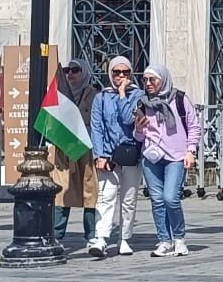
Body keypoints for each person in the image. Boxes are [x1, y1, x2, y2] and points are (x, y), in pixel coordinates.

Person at [135, 62, 201, 257]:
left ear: (163, 80)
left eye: (152, 80)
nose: (148, 83)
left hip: (176, 156)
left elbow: (194, 126)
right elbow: (138, 137)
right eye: (145, 80)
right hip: (151, 157)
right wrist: (138, 129)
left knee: (170, 198)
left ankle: (179, 239)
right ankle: (164, 240)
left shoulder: (179, 99)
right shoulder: (142, 103)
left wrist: (190, 151)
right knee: (157, 200)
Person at [86, 57, 143, 259]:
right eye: (116, 72)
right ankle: (101, 237)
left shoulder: (138, 95)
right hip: (109, 154)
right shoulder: (101, 97)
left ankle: (124, 238)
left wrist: (122, 94)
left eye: (125, 72)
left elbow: (128, 118)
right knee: (105, 196)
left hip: (131, 153)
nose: (121, 76)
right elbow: (97, 127)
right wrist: (99, 155)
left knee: (128, 198)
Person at [47, 59, 98, 246]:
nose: (70, 74)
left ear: (84, 72)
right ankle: (57, 234)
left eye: (75, 70)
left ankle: (91, 234)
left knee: (89, 190)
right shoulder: (60, 94)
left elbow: (96, 121)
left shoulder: (93, 94)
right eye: (67, 70)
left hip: (86, 148)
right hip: (64, 148)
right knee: (62, 190)